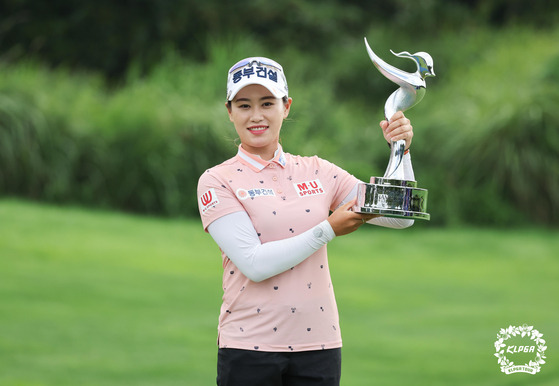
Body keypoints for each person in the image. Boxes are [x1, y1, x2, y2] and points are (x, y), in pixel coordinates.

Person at [197, 57, 416, 386]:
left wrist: (401, 150)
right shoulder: (217, 180)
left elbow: (399, 215)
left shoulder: (318, 170)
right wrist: (328, 229)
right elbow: (254, 264)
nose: (256, 115)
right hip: (248, 346)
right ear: (230, 112)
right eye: (244, 105)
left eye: (267, 103)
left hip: (320, 344)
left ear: (286, 106)